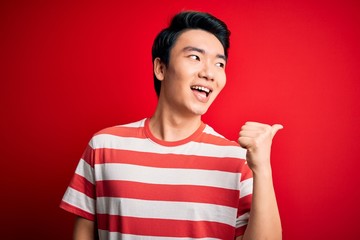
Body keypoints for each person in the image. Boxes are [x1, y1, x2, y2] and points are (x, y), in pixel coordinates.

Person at [60, 10, 282, 240]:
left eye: (219, 63)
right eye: (195, 57)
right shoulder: (104, 147)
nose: (209, 73)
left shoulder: (238, 159)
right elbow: (84, 233)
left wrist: (263, 169)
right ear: (161, 68)